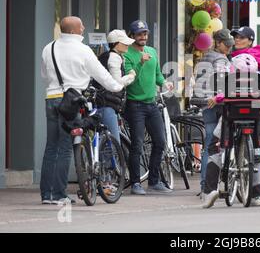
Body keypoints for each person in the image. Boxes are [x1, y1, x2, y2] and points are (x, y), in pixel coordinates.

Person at [40, 17, 124, 205]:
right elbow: (101, 74)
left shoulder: (49, 47)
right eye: (81, 26)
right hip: (71, 101)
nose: (84, 28)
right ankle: (59, 194)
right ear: (73, 30)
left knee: (51, 147)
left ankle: (46, 194)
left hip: (52, 98)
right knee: (64, 148)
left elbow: (44, 75)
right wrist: (116, 86)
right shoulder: (83, 50)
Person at [201, 54, 260, 209]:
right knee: (258, 152)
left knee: (214, 148)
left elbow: (223, 95)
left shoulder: (229, 78)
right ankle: (257, 194)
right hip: (255, 118)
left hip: (230, 118)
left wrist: (217, 98)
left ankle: (210, 190)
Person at [124, 20, 173, 195]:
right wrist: (140, 63)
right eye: (139, 34)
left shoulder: (152, 51)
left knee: (160, 142)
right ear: (132, 36)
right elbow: (130, 80)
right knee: (137, 145)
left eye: (145, 33)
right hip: (135, 104)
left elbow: (157, 74)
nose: (143, 37)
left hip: (151, 103)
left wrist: (164, 83)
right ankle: (135, 183)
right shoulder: (127, 54)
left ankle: (154, 181)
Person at [193, 29, 234, 195]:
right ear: (218, 43)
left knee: (209, 144)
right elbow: (222, 82)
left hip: (204, 104)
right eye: (227, 45)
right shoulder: (220, 60)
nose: (229, 48)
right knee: (218, 145)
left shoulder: (205, 57)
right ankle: (212, 185)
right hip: (217, 104)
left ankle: (204, 186)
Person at [94, 30, 136, 144]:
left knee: (104, 142)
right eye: (124, 43)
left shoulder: (107, 56)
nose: (127, 45)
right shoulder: (114, 57)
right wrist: (131, 76)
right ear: (116, 44)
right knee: (112, 144)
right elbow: (117, 83)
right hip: (107, 105)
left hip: (102, 104)